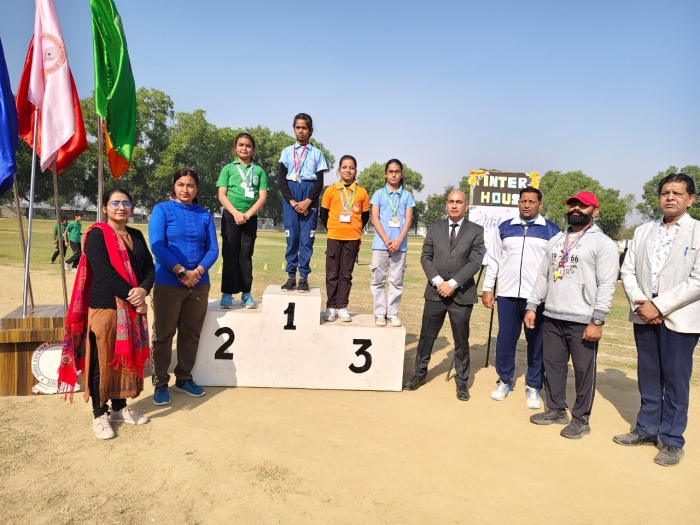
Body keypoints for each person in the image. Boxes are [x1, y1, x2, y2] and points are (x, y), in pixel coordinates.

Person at [614, 173, 700, 467]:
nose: (670, 198)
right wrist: (643, 304)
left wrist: (660, 306)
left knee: (675, 380)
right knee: (648, 374)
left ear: (691, 199)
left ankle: (672, 440)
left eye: (677, 193)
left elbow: (697, 280)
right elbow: (628, 271)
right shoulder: (643, 231)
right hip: (644, 315)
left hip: (679, 318)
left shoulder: (697, 232)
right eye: (665, 193)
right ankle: (646, 429)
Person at [57, 188, 154, 440]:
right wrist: (133, 296)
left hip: (131, 309)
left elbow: (149, 267)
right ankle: (99, 413)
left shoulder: (136, 234)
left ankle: (120, 409)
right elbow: (103, 272)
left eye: (126, 203)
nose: (121, 207)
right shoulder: (96, 236)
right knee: (101, 360)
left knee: (124, 359)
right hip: (105, 306)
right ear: (104, 208)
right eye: (115, 203)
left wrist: (143, 290)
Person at [525, 191, 618, 439]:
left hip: (582, 319)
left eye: (582, 206)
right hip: (553, 315)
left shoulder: (603, 243)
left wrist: (597, 320)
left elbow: (607, 284)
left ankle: (581, 419)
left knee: (583, 371)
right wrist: (532, 306)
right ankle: (556, 410)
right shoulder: (557, 240)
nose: (576, 209)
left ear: (595, 211)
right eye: (573, 205)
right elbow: (543, 276)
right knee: (553, 366)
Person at [482, 186, 560, 408]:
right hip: (507, 294)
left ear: (540, 204)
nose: (527, 205)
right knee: (506, 339)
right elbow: (494, 260)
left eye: (531, 201)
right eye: (523, 201)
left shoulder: (552, 230)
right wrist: (488, 288)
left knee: (537, 342)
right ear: (518, 203)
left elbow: (555, 265)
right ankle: (504, 380)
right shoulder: (505, 228)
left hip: (536, 298)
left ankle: (534, 385)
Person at [404, 190, 484, 401]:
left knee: (461, 340)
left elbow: (475, 261)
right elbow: (425, 257)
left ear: (466, 206)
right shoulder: (434, 228)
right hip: (435, 293)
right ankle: (419, 374)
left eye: (459, 202)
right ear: (446, 205)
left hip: (462, 295)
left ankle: (462, 381)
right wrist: (440, 282)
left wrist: (453, 284)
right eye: (451, 202)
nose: (454, 205)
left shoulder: (476, 230)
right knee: (426, 337)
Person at [149, 169, 219, 406]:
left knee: (191, 333)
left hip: (198, 284)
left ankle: (184, 378)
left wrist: (197, 272)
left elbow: (212, 249)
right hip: (167, 283)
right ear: (174, 186)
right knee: (163, 334)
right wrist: (180, 271)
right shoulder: (162, 210)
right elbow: (157, 246)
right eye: (180, 184)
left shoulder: (204, 215)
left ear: (197, 189)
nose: (185, 189)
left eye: (190, 185)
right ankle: (160, 382)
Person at [217, 132, 269, 310]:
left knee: (246, 255)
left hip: (250, 217)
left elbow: (263, 197)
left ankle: (246, 293)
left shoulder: (259, 171)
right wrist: (236, 213)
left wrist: (247, 214)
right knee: (229, 254)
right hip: (230, 216)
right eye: (241, 145)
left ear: (253, 149)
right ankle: (227, 293)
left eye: (248, 145)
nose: (244, 148)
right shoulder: (228, 169)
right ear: (235, 148)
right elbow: (222, 194)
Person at [278, 113, 329, 292]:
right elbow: (281, 180)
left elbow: (320, 182)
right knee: (292, 238)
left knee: (306, 239)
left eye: (304, 128)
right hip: (291, 194)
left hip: (309, 194)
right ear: (294, 129)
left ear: (311, 130)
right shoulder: (286, 152)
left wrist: (308, 201)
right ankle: (291, 277)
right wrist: (292, 201)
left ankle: (304, 278)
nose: (301, 131)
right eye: (298, 127)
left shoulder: (317, 153)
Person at [320, 155, 370, 322]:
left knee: (346, 274)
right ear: (339, 170)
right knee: (332, 273)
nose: (348, 170)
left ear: (356, 171)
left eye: (351, 167)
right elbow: (323, 214)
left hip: (352, 239)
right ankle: (331, 306)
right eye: (344, 167)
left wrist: (353, 229)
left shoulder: (361, 192)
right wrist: (334, 228)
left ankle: (342, 306)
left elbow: (365, 216)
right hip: (334, 237)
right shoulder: (330, 190)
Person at [369, 159, 416, 327]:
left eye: (397, 171)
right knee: (378, 279)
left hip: (400, 246)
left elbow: (408, 220)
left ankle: (392, 313)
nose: (394, 175)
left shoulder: (407, 196)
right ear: (385, 174)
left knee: (396, 280)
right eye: (390, 171)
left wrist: (398, 241)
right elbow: (375, 219)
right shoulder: (378, 194)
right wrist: (387, 240)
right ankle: (379, 313)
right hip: (381, 244)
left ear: (401, 174)